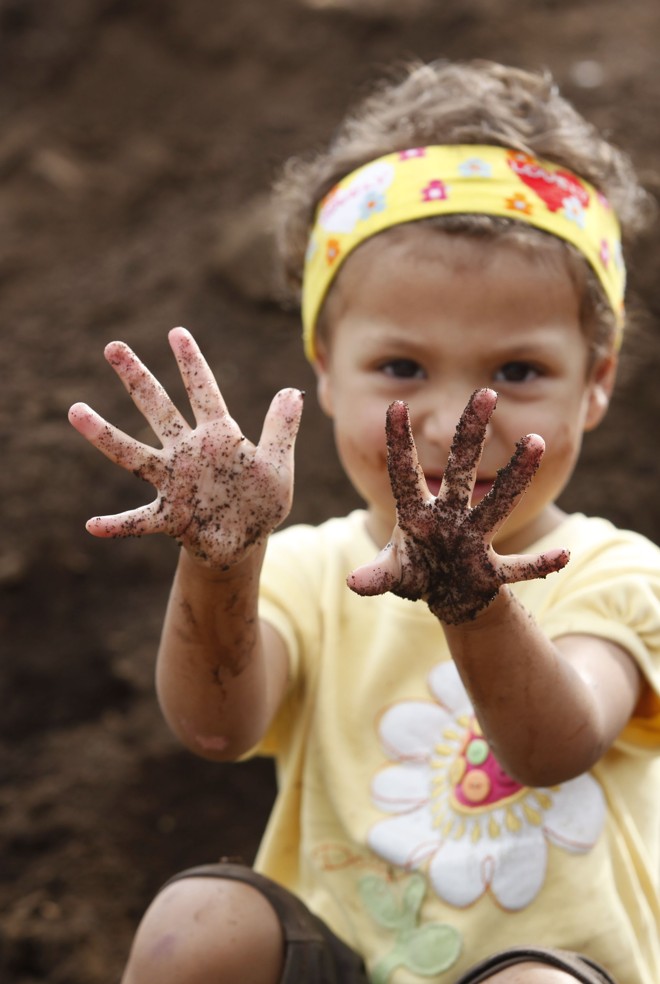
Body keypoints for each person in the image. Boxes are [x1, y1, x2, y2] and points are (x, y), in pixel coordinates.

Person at [68, 59, 660, 984]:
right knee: (204, 917)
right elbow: (218, 729)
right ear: (325, 368)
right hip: (342, 960)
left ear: (598, 382)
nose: (452, 416)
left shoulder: (612, 573)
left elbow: (556, 746)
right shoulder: (311, 570)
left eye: (515, 372)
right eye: (400, 367)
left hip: (547, 967)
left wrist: (472, 596)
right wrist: (223, 562)